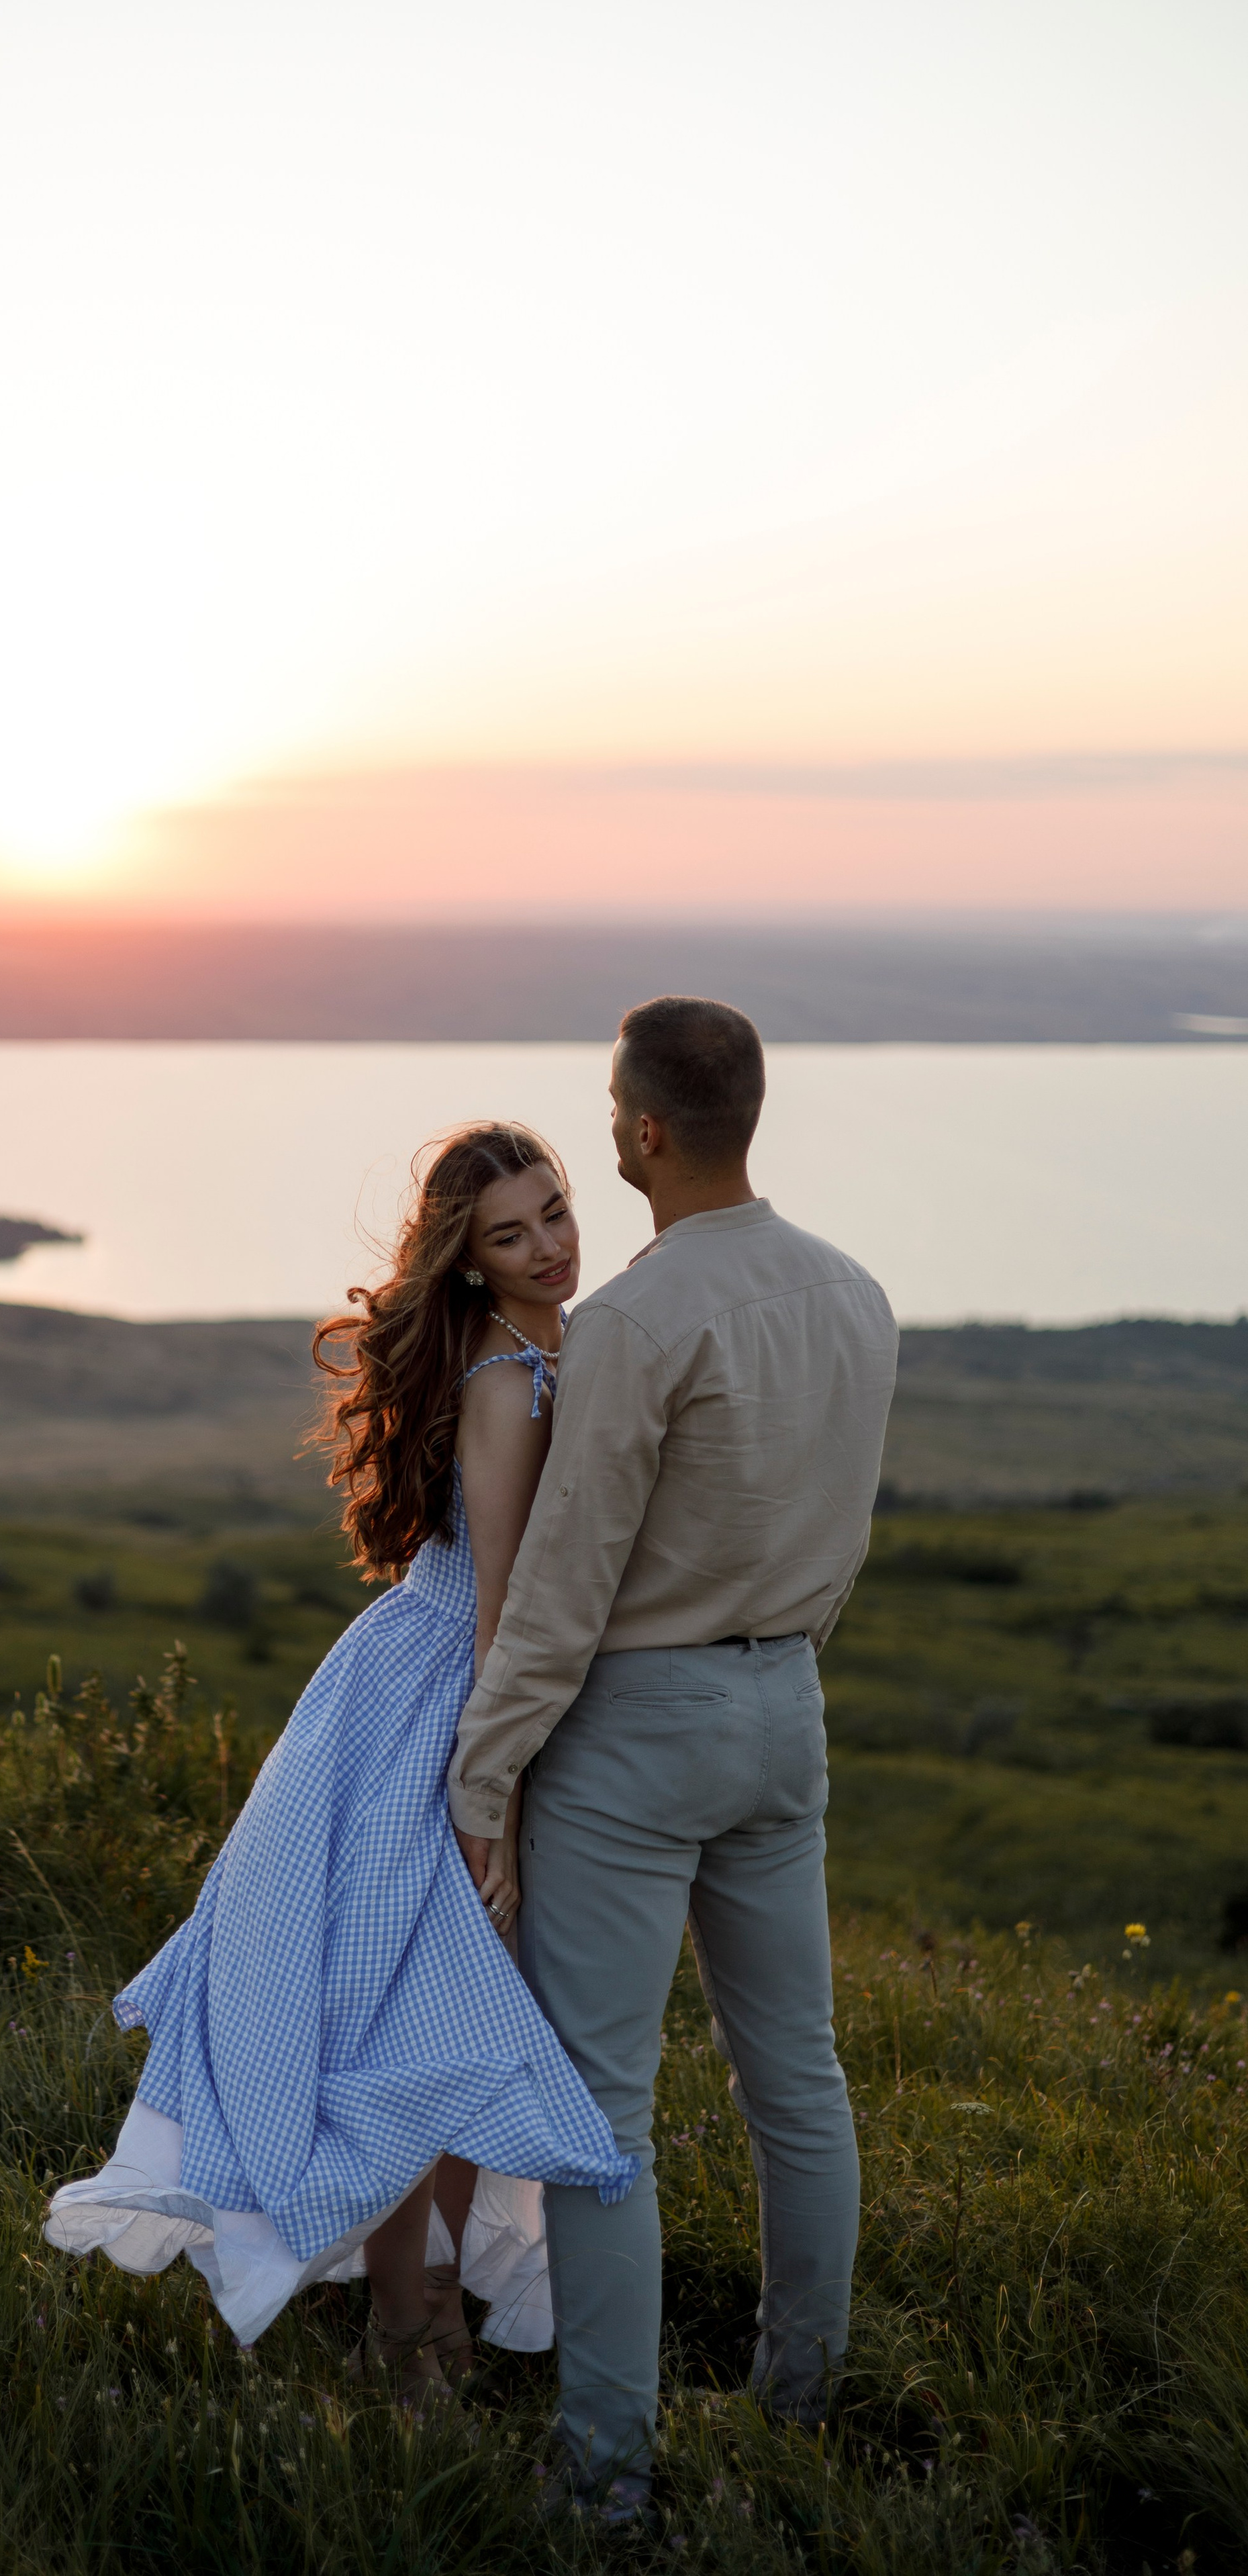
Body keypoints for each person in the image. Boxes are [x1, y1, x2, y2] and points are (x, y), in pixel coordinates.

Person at [44, 1122, 637, 2397]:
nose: (551, 1244)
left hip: (454, 1686)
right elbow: (499, 1610)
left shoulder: (558, 1345)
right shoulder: (505, 1375)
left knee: (455, 2018)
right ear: (469, 1263)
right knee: (409, 2020)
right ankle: (403, 2322)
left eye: (557, 1209)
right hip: (436, 1706)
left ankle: (430, 2317)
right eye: (512, 1232)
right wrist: (498, 1791)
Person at [449, 997, 899, 2518]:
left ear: (639, 1130)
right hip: (786, 1706)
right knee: (796, 2076)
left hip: (634, 1731)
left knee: (598, 2103)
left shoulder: (634, 1322)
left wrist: (481, 1777)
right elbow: (838, 1536)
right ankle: (800, 2398)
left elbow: (561, 1592)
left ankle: (604, 2469)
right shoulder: (854, 1294)